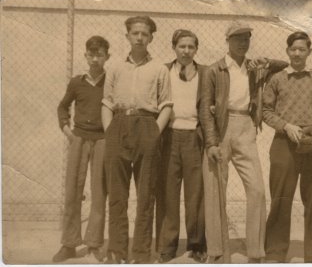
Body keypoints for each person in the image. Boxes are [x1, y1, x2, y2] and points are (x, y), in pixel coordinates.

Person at [199, 21, 288, 264]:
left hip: (246, 126)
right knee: (216, 190)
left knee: (257, 190)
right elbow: (205, 110)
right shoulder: (213, 70)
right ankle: (216, 251)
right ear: (227, 41)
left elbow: (284, 65)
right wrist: (211, 143)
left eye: (246, 38)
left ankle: (256, 251)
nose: (242, 43)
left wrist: (265, 62)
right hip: (220, 127)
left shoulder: (253, 68)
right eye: (237, 38)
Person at [102, 16, 172, 264]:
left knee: (145, 195)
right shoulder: (115, 68)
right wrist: (110, 130)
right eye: (135, 33)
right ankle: (117, 252)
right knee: (117, 195)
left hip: (147, 126)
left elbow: (166, 106)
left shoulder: (160, 69)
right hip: (119, 125)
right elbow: (107, 103)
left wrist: (154, 133)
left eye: (144, 33)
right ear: (127, 37)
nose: (140, 37)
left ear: (151, 37)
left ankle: (141, 254)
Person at [262, 31, 312, 263]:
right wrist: (285, 126)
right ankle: (275, 252)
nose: (298, 53)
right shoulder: (277, 78)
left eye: (302, 49)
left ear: (309, 52)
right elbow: (266, 111)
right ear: (287, 51)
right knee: (281, 198)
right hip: (284, 143)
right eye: (294, 49)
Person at [54, 35, 110, 263]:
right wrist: (67, 131)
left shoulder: (111, 81)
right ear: (85, 55)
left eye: (100, 55)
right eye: (91, 54)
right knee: (73, 191)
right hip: (79, 139)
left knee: (99, 192)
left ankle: (95, 244)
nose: (95, 59)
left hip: (102, 140)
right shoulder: (76, 82)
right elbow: (62, 107)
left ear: (107, 57)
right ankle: (69, 244)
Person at [156, 29, 207, 263]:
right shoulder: (163, 71)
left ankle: (197, 244)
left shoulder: (205, 73)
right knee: (168, 193)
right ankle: (167, 245)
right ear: (174, 47)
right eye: (182, 46)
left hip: (194, 138)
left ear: (196, 49)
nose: (186, 51)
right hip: (169, 137)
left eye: (191, 47)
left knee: (195, 194)